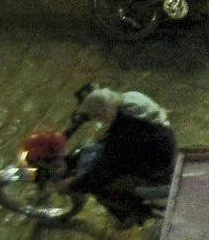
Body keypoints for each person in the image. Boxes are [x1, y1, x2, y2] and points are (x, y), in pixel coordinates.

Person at [65, 84, 176, 224]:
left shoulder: (123, 133)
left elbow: (102, 173)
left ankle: (136, 213)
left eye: (98, 115)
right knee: (98, 148)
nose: (99, 119)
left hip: (157, 166)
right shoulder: (131, 98)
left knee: (102, 187)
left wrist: (72, 185)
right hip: (163, 143)